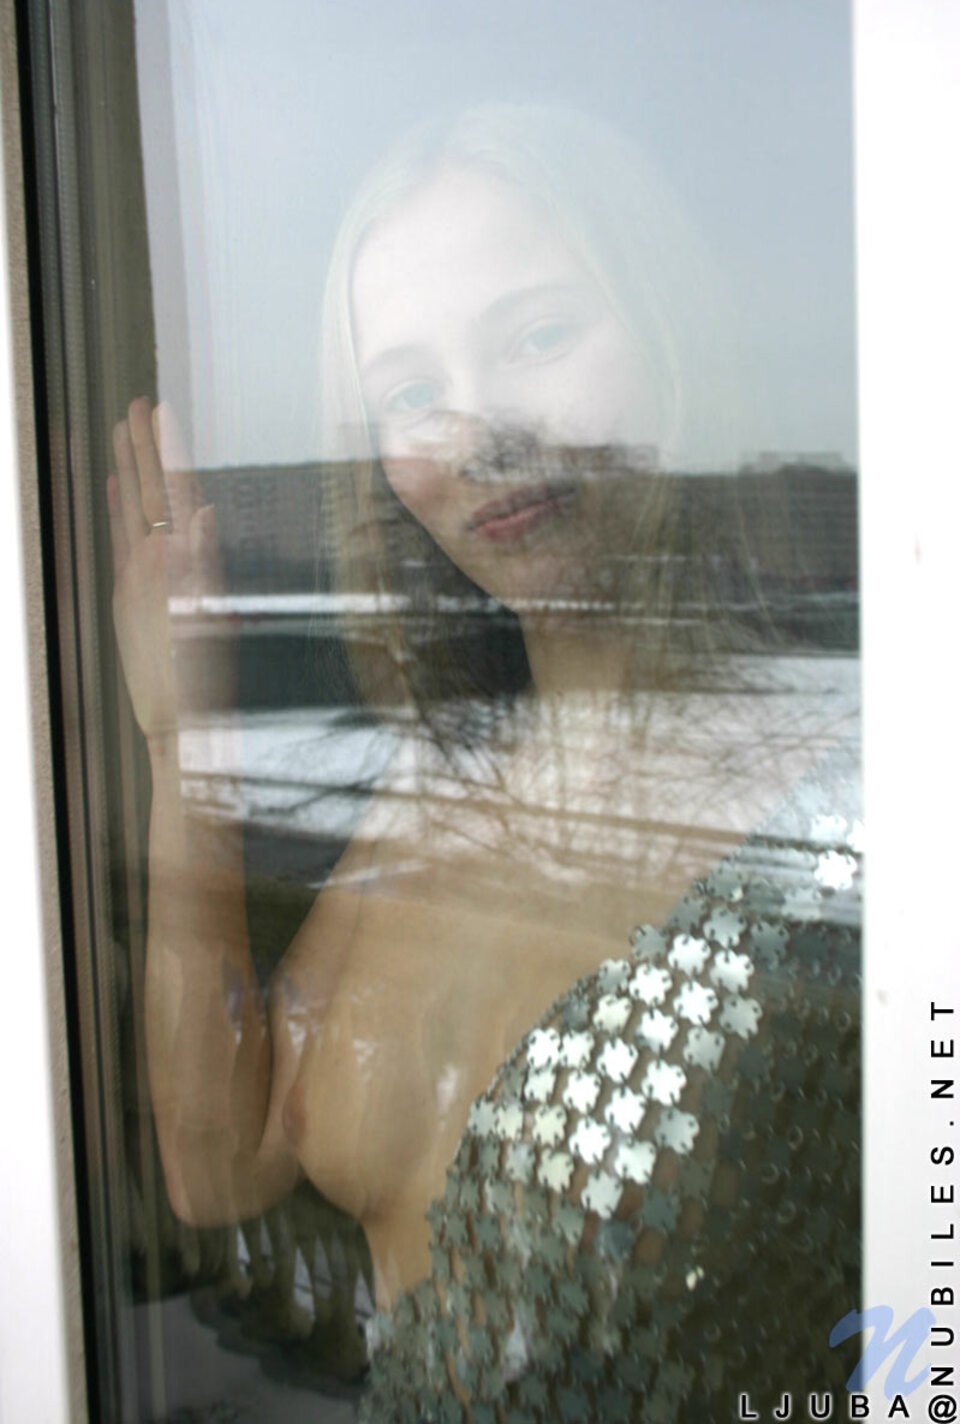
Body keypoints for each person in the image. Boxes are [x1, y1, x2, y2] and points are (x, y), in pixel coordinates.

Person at [108, 105, 861, 1420]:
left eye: (538, 336)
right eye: (412, 393)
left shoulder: (843, 815)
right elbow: (221, 1167)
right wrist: (184, 743)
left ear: (667, 331)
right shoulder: (436, 788)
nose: (480, 433)